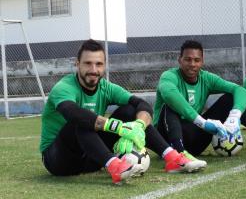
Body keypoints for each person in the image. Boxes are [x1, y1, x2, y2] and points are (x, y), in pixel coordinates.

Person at [40, 39, 204, 185]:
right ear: (77, 64)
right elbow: (72, 112)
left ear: (104, 65)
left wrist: (138, 125)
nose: (93, 69)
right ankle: (116, 167)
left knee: (130, 111)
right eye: (87, 63)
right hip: (59, 160)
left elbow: (141, 104)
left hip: (92, 159)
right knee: (81, 122)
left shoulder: (106, 87)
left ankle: (172, 158)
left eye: (98, 64)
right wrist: (118, 127)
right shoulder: (64, 87)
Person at [153, 40, 246, 164]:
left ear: (202, 61)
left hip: (193, 139)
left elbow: (240, 90)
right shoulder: (169, 76)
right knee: (169, 106)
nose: (192, 64)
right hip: (165, 140)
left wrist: (235, 116)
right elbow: (170, 95)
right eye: (188, 60)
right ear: (180, 60)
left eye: (196, 60)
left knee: (229, 99)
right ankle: (179, 156)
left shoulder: (206, 78)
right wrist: (202, 122)